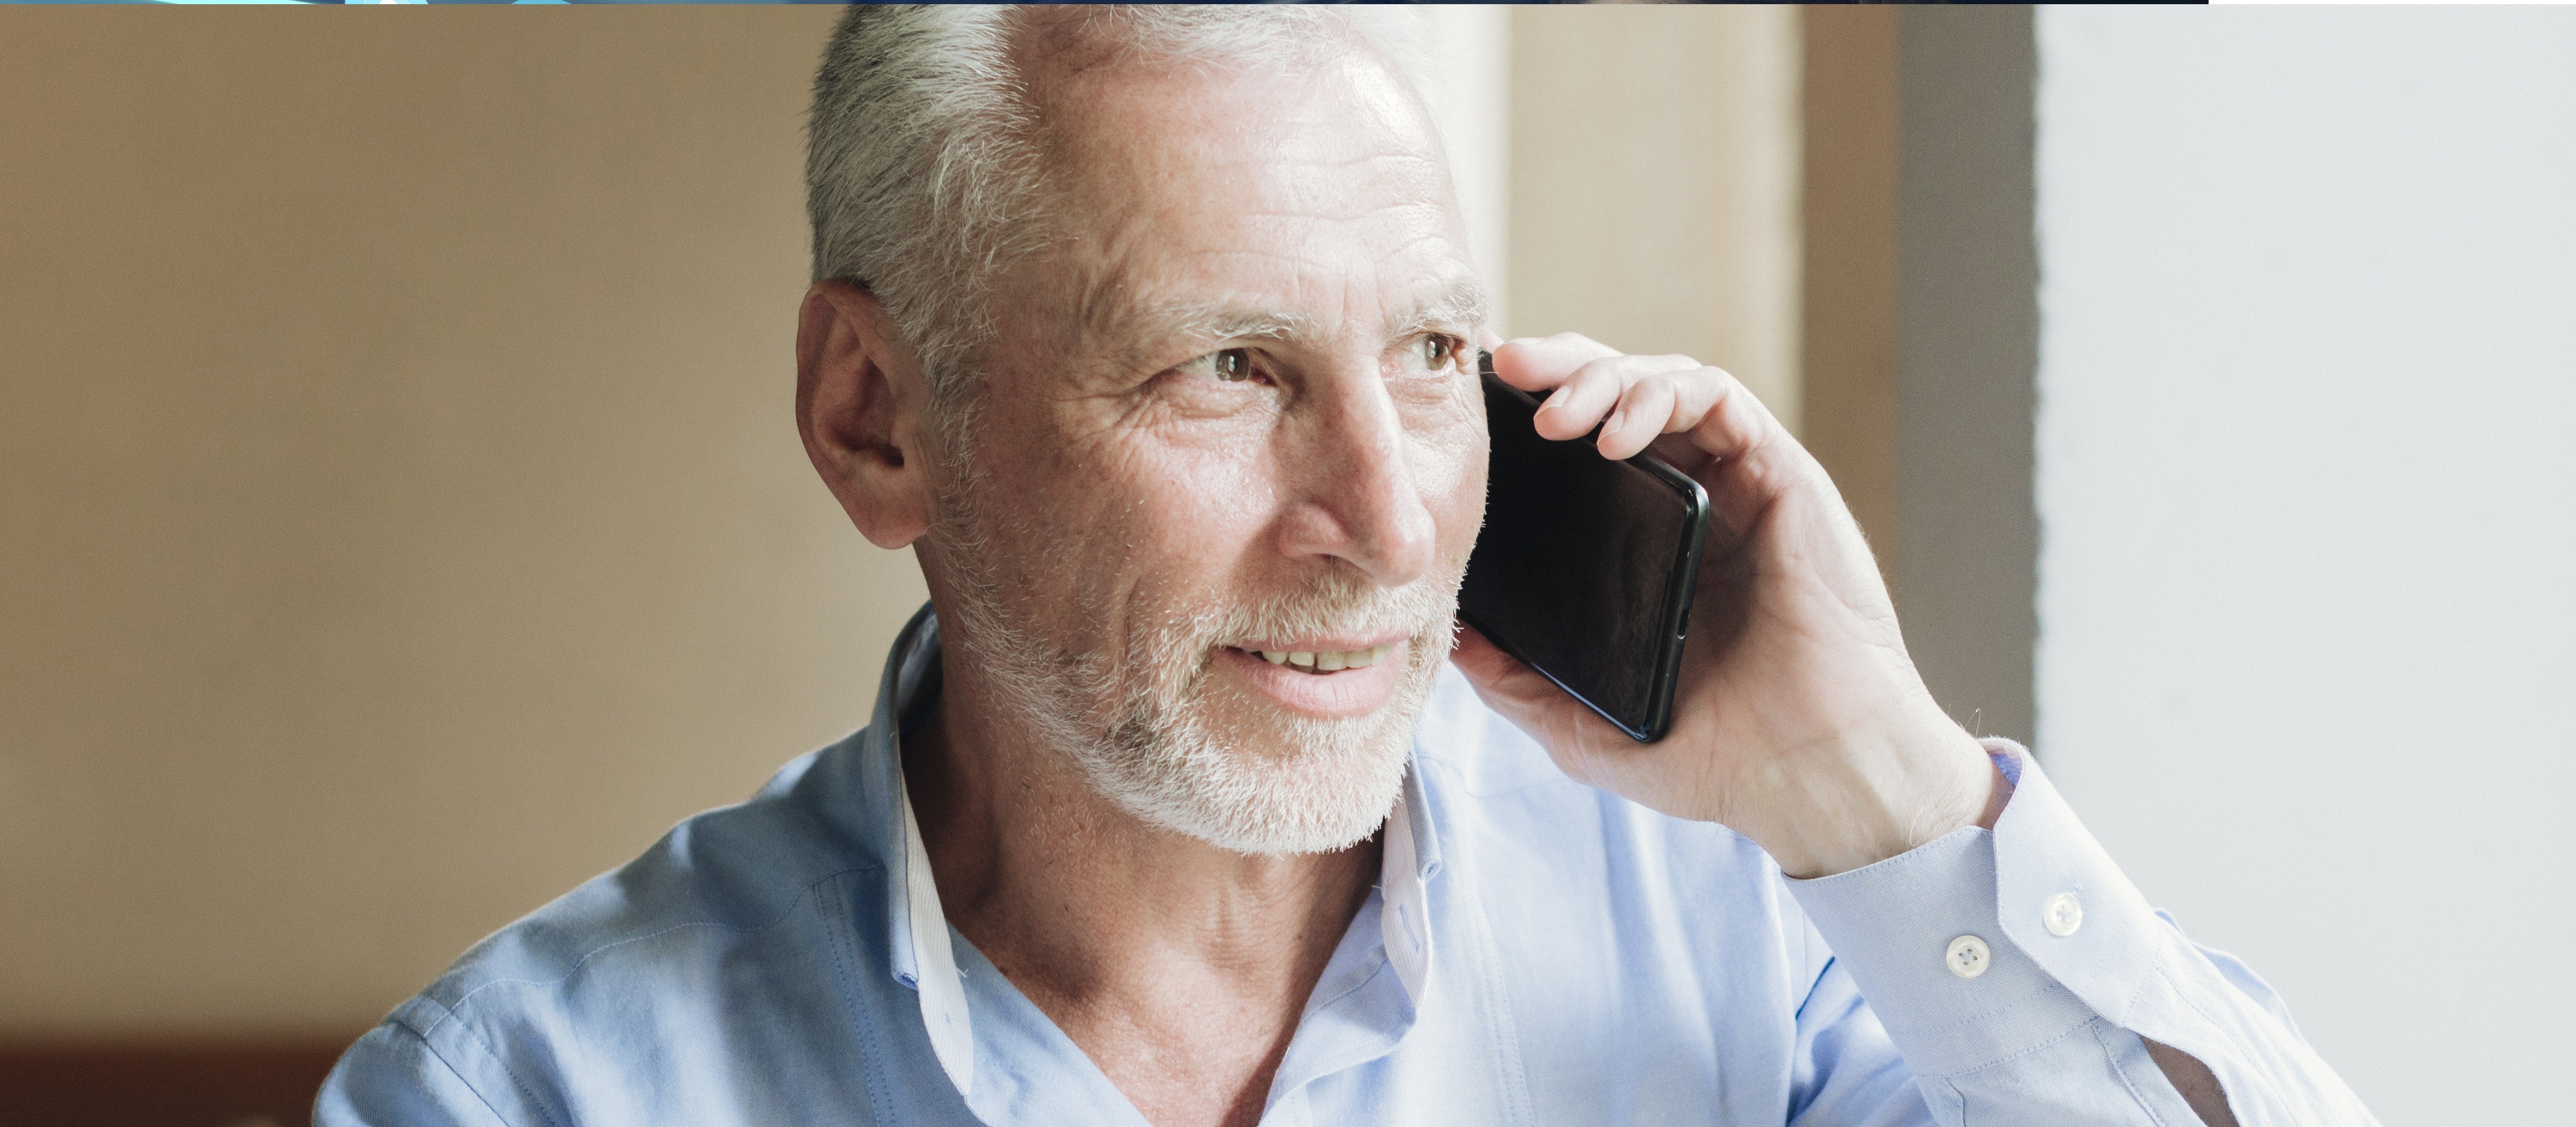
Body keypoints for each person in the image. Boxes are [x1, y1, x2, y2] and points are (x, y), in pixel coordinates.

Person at [317, 7, 2375, 1126]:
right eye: (1227, 369)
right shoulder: (531, 1098)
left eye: (1424, 357)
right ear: (875, 416)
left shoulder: (1761, 946)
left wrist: (1881, 792)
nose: (1393, 526)